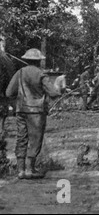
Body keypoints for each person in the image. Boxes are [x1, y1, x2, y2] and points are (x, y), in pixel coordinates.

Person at [5, 48, 63, 179]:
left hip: (21, 110)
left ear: (26, 60)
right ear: (38, 61)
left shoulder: (19, 73)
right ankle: (30, 169)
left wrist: (18, 101)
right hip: (36, 111)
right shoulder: (42, 75)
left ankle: (20, 170)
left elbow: (9, 93)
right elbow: (53, 93)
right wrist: (59, 90)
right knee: (35, 139)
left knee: (21, 138)